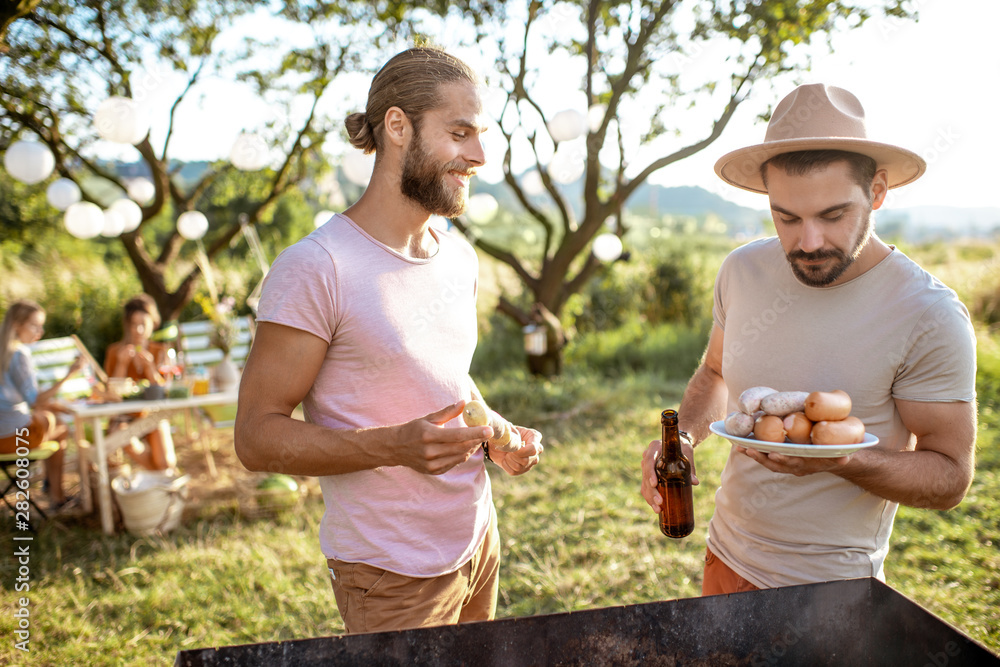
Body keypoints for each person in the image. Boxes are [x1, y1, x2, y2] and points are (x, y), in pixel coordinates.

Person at [235, 46, 544, 634]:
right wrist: (394, 447)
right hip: (390, 573)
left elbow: (441, 376)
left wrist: (494, 432)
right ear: (397, 126)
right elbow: (255, 437)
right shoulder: (316, 267)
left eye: (480, 135)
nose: (479, 155)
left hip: (478, 540)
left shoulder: (457, 254)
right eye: (459, 133)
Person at [640, 83, 977, 595]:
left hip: (833, 592)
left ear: (878, 192)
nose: (808, 242)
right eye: (787, 217)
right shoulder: (741, 269)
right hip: (725, 556)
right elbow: (715, 373)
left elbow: (950, 475)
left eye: (833, 215)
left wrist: (840, 459)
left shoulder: (927, 313)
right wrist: (684, 436)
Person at [1, 299, 86, 509]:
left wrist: (54, 405)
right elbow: (35, 400)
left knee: (52, 419)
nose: (40, 331)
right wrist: (70, 374)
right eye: (34, 325)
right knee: (59, 426)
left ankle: (52, 487)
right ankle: (56, 494)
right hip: (11, 439)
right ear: (16, 325)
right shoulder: (18, 354)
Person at [104, 294, 170, 470]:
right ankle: (160, 479)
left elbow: (164, 392)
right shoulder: (115, 352)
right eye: (134, 325)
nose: (138, 330)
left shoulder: (160, 351)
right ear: (127, 326)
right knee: (122, 434)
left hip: (152, 416)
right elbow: (112, 394)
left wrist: (150, 369)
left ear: (153, 323)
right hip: (123, 417)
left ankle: (157, 477)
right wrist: (122, 363)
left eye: (143, 325)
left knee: (166, 462)